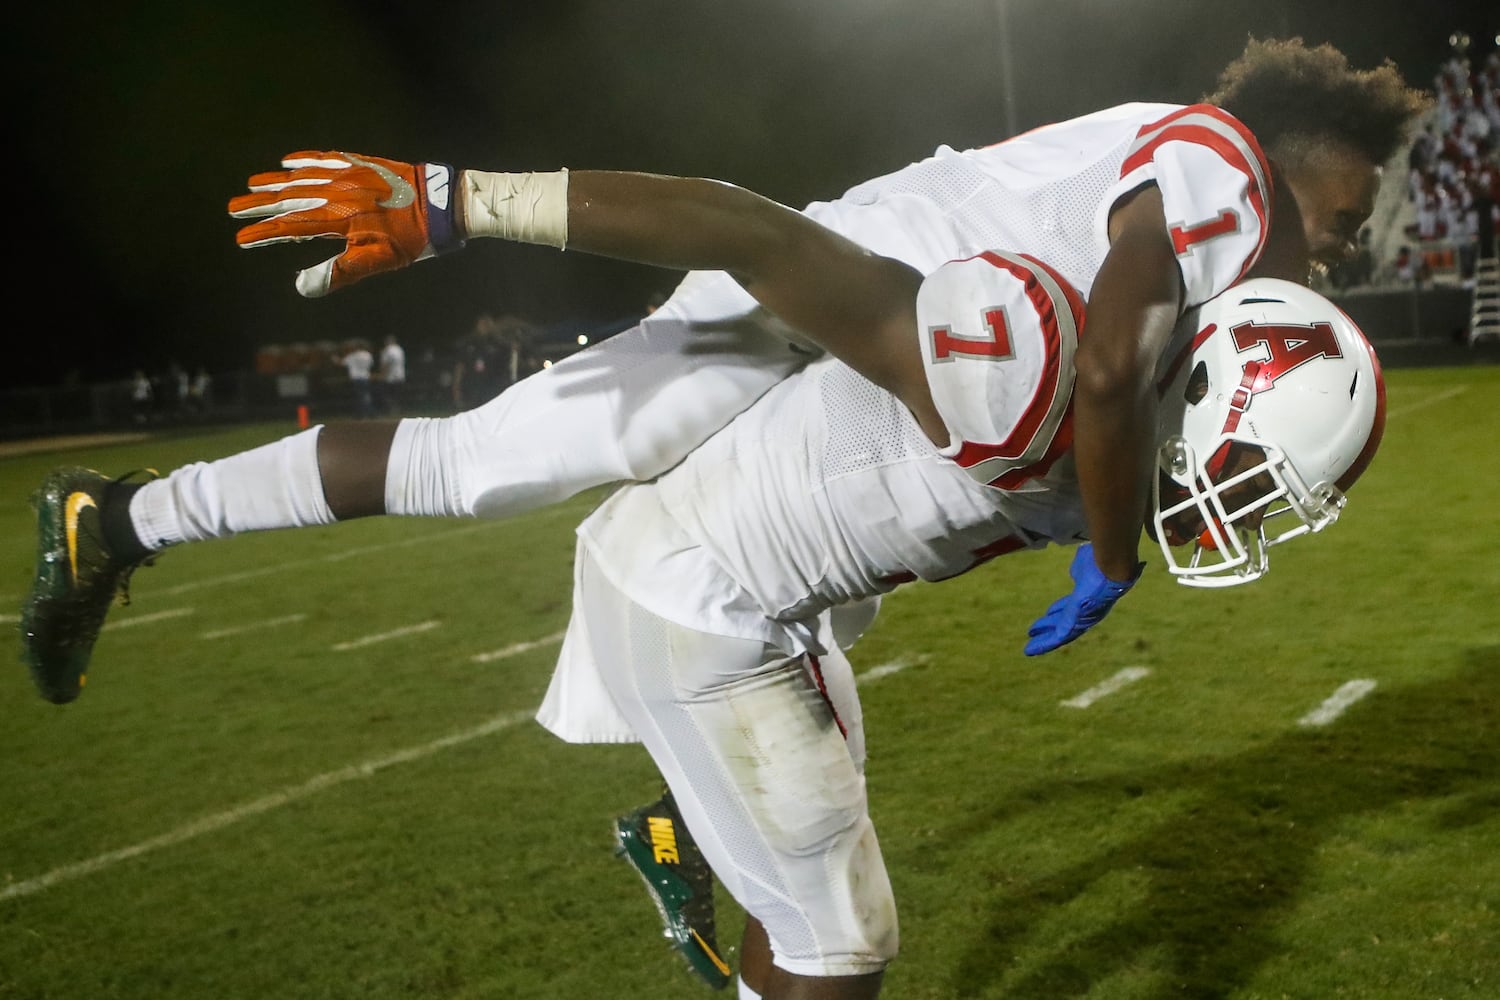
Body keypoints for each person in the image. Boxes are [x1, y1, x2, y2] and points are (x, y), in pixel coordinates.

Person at [20, 36, 1421, 999]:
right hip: (844, 312)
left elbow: (1132, 373)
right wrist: (456, 205)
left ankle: (131, 520)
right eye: (1351, 210)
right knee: (506, 473)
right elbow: (1103, 360)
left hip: (877, 340)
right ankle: (128, 516)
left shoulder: (1184, 260)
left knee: (575, 503)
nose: (1351, 244)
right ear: (1304, 157)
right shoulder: (1229, 179)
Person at [336, 338, 376, 418]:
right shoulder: (367, 354)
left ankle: (362, 414)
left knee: (359, 397)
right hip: (365, 377)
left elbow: (341, 363)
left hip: (356, 378)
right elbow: (371, 364)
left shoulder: (352, 356)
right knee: (366, 395)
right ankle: (369, 412)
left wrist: (334, 358)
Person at [377, 334, 407, 415]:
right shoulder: (399, 349)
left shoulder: (387, 350)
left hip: (390, 377)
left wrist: (382, 375)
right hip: (400, 375)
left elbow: (385, 364)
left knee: (388, 395)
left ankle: (391, 410)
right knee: (398, 395)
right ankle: (398, 410)